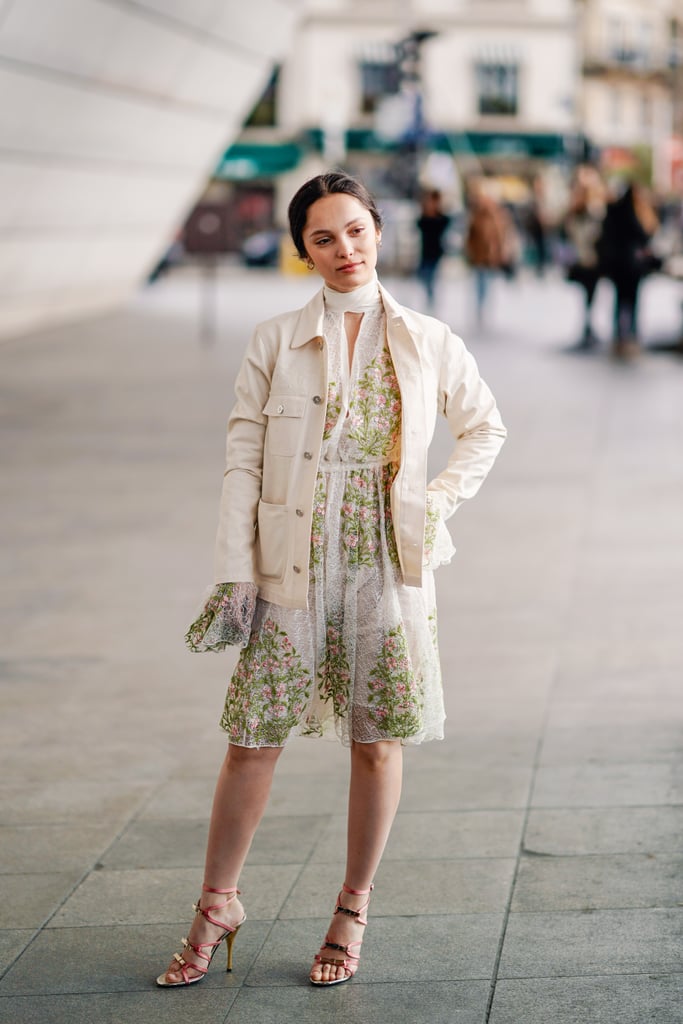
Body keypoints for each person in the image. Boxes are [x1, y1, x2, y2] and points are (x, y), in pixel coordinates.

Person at [156, 172, 506, 990]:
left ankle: (352, 908)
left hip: (386, 562)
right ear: (302, 248)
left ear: (377, 231)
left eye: (354, 230)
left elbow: (483, 428)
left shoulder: (425, 337)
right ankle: (218, 904)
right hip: (291, 560)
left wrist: (433, 501)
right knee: (252, 740)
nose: (343, 249)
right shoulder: (275, 339)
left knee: (375, 741)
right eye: (322, 237)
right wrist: (234, 572)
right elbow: (242, 459)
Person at [597, 180, 660, 358]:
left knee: (619, 299)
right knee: (632, 300)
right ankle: (631, 332)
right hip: (632, 265)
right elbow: (644, 234)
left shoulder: (613, 211)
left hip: (617, 265)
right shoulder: (634, 213)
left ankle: (619, 333)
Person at [563, 167, 606, 349]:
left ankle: (589, 327)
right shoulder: (577, 211)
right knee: (587, 295)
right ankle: (587, 327)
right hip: (583, 259)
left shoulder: (594, 209)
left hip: (591, 259)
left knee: (591, 295)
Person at [464, 180, 517, 327]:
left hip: (491, 257)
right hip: (479, 256)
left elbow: (502, 236)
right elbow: (470, 237)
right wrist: (470, 251)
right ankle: (479, 309)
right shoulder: (476, 216)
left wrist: (501, 251)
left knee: (487, 284)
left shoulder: (498, 217)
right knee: (480, 284)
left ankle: (484, 309)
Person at [416, 189, 451, 310]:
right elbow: (419, 224)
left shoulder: (442, 219)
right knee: (423, 277)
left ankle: (431, 301)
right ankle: (430, 299)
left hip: (436, 253)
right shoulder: (424, 218)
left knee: (430, 278)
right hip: (424, 252)